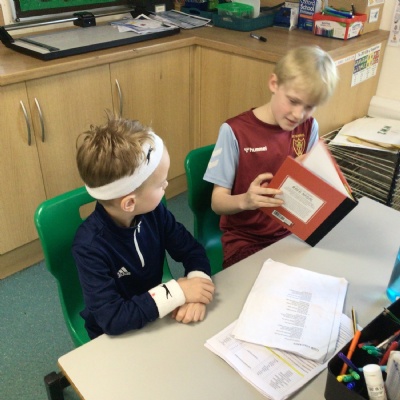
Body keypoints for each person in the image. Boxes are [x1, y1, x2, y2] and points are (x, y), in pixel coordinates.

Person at [73, 114, 215, 339]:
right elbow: (113, 319)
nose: (166, 185)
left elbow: (192, 250)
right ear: (129, 203)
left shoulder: (154, 213)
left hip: (154, 314)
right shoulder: (89, 246)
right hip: (114, 336)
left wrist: (197, 291)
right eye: (160, 184)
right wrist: (178, 292)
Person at [203, 45, 338, 268]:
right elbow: (217, 203)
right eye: (293, 101)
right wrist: (246, 200)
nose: (299, 114)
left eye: (309, 107)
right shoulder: (234, 131)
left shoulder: (309, 127)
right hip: (247, 239)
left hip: (293, 234)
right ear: (274, 84)